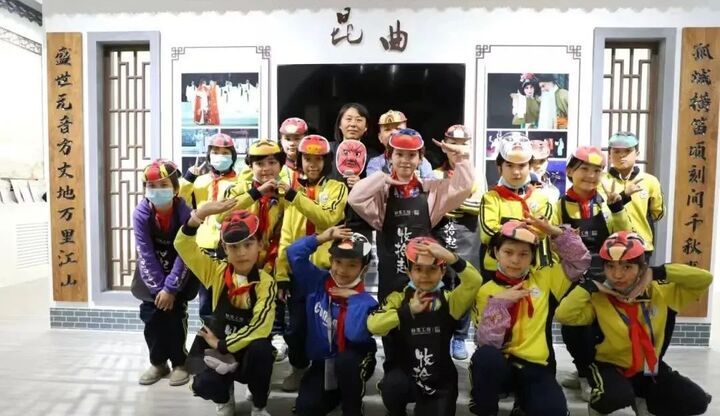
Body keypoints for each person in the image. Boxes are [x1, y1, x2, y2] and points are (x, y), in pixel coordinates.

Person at [349, 128, 473, 373]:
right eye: (399, 154)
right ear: (390, 156)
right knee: (392, 326)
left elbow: (464, 187)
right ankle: (393, 373)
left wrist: (461, 158)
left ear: (420, 158)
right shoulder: (381, 192)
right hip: (390, 275)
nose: (405, 160)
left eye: (412, 155)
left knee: (424, 328)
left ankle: (425, 376)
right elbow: (355, 199)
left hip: (424, 276)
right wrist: (382, 178)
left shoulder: (431, 188)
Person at [556, 231, 713, 416]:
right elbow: (564, 315)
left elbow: (704, 279)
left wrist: (657, 272)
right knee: (614, 398)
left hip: (649, 367)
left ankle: (646, 399)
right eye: (610, 266)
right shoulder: (598, 298)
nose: (617, 275)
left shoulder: (660, 292)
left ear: (641, 268)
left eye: (627, 266)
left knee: (697, 401)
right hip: (610, 366)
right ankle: (598, 405)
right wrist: (588, 287)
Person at [469, 219, 591, 416]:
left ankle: (523, 406)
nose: (515, 260)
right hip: (501, 365)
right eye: (508, 252)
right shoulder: (486, 291)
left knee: (553, 411)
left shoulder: (545, 279)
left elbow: (580, 261)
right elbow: (487, 341)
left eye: (524, 254)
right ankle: (486, 410)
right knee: (486, 357)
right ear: (496, 252)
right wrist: (499, 304)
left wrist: (555, 232)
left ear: (533, 256)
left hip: (535, 366)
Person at [175, 205, 276, 416]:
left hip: (244, 349)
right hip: (219, 350)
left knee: (262, 350)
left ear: (260, 244)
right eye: (234, 246)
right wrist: (200, 215)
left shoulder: (266, 282)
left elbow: (260, 327)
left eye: (248, 244)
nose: (241, 253)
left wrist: (222, 344)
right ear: (224, 248)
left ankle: (258, 404)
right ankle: (224, 397)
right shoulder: (215, 271)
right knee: (202, 385)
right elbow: (182, 245)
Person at [554, 145, 636, 399]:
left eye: (597, 170)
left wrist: (618, 208)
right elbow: (551, 243)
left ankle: (593, 373)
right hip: (571, 277)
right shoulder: (558, 205)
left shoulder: (606, 203)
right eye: (584, 169)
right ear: (570, 171)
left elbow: (624, 236)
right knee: (572, 326)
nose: (590, 175)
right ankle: (583, 371)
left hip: (605, 276)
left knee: (599, 328)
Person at [367, 236, 482, 416]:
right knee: (393, 385)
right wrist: (407, 311)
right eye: (418, 269)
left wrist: (451, 257)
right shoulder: (398, 299)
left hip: (440, 381)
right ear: (409, 272)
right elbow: (373, 326)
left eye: (432, 269)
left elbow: (474, 281)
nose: (425, 275)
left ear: (443, 272)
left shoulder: (450, 300)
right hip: (405, 377)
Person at [275, 135, 348, 391]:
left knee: (324, 327)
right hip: (298, 272)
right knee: (295, 329)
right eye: (307, 159)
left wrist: (294, 196)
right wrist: (282, 274)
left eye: (318, 159)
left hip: (326, 273)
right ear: (300, 160)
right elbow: (286, 236)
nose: (312, 164)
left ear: (327, 161)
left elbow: (327, 219)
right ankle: (298, 368)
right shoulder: (292, 190)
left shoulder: (337, 188)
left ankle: (323, 375)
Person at [289, 226, 377, 416]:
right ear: (331, 261)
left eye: (352, 265)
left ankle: (352, 406)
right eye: (338, 262)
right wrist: (321, 238)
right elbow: (294, 254)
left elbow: (354, 335)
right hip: (323, 363)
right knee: (306, 409)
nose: (343, 270)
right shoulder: (317, 282)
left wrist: (353, 299)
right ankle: (334, 396)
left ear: (363, 269)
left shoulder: (367, 302)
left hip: (354, 362)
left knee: (347, 362)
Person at [132, 159, 199, 387]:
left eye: (163, 185)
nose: (157, 190)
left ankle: (179, 363)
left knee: (175, 319)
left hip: (179, 273)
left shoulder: (185, 213)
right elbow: (145, 253)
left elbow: (185, 252)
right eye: (152, 186)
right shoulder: (141, 214)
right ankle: (158, 363)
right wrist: (159, 288)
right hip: (152, 276)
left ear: (176, 188)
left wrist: (170, 289)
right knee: (151, 319)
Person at [431, 124, 483, 360]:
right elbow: (433, 206)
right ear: (444, 146)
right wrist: (455, 202)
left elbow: (477, 206)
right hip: (440, 233)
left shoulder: (476, 174)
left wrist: (448, 201)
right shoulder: (435, 174)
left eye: (462, 145)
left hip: (468, 234)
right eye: (453, 145)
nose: (457, 150)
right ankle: (441, 334)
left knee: (465, 282)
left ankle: (460, 337)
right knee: (439, 283)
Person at [479, 132, 555, 281]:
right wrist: (524, 227)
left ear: (530, 166)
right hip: (496, 272)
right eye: (509, 165)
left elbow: (541, 231)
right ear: (499, 167)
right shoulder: (491, 198)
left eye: (522, 165)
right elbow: (488, 232)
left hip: (536, 272)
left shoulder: (542, 198)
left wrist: (507, 228)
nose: (516, 172)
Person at [179, 133, 240, 317]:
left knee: (229, 294)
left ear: (233, 156)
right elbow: (180, 200)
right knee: (205, 299)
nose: (220, 156)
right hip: (203, 246)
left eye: (225, 152)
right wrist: (189, 177)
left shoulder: (239, 182)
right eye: (215, 152)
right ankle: (207, 330)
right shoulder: (200, 181)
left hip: (228, 246)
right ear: (209, 155)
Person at [223, 139, 287, 277]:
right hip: (237, 261)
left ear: (281, 166)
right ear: (250, 167)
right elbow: (220, 216)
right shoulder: (238, 189)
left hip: (270, 264)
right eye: (259, 163)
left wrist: (271, 265)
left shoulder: (285, 196)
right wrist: (256, 193)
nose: (266, 168)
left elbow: (283, 236)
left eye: (272, 162)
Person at [604, 132, 664, 262]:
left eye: (627, 151)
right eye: (616, 151)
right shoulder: (602, 181)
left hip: (642, 245)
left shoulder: (650, 181)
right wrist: (623, 195)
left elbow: (657, 213)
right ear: (609, 155)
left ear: (637, 153)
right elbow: (602, 211)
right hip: (609, 245)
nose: (621, 155)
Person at [366, 109, 433, 179]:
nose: (393, 132)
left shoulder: (420, 161)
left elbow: (430, 181)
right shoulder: (375, 163)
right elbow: (372, 183)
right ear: (380, 137)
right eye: (387, 129)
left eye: (398, 129)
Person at [278, 117, 309, 187]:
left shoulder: (312, 167)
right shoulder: (276, 167)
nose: (292, 143)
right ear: (281, 140)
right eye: (287, 139)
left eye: (297, 139)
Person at [529, 139, 560, 204]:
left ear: (547, 161)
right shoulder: (516, 188)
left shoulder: (553, 192)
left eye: (542, 161)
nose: (538, 166)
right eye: (532, 162)